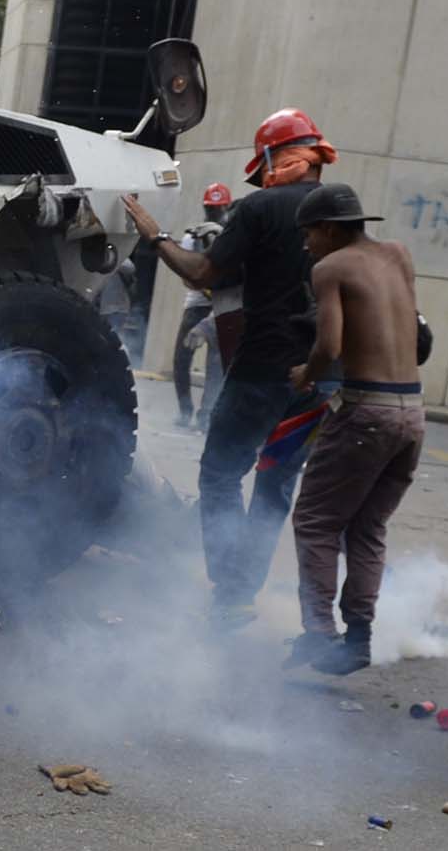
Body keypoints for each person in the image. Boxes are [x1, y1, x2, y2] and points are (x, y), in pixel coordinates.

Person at [122, 107, 338, 629]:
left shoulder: (259, 207)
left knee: (220, 474)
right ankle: (245, 589)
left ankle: (230, 594)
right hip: (318, 379)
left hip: (261, 373)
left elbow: (203, 272)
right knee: (274, 485)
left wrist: (155, 236)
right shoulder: (340, 212)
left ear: (271, 158)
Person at [282, 183, 425, 675]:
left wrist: (306, 374)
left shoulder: (330, 268)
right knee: (367, 527)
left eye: (308, 235)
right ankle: (358, 639)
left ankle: (319, 632)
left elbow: (330, 344)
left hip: (365, 412)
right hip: (412, 414)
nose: (306, 246)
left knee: (316, 521)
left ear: (326, 229)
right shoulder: (399, 255)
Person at [172, 182, 233, 429]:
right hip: (198, 304)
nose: (215, 214)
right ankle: (185, 410)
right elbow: (188, 278)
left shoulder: (233, 235)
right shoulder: (192, 236)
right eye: (211, 209)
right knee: (181, 358)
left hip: (220, 305)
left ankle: (205, 416)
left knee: (216, 363)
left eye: (218, 209)